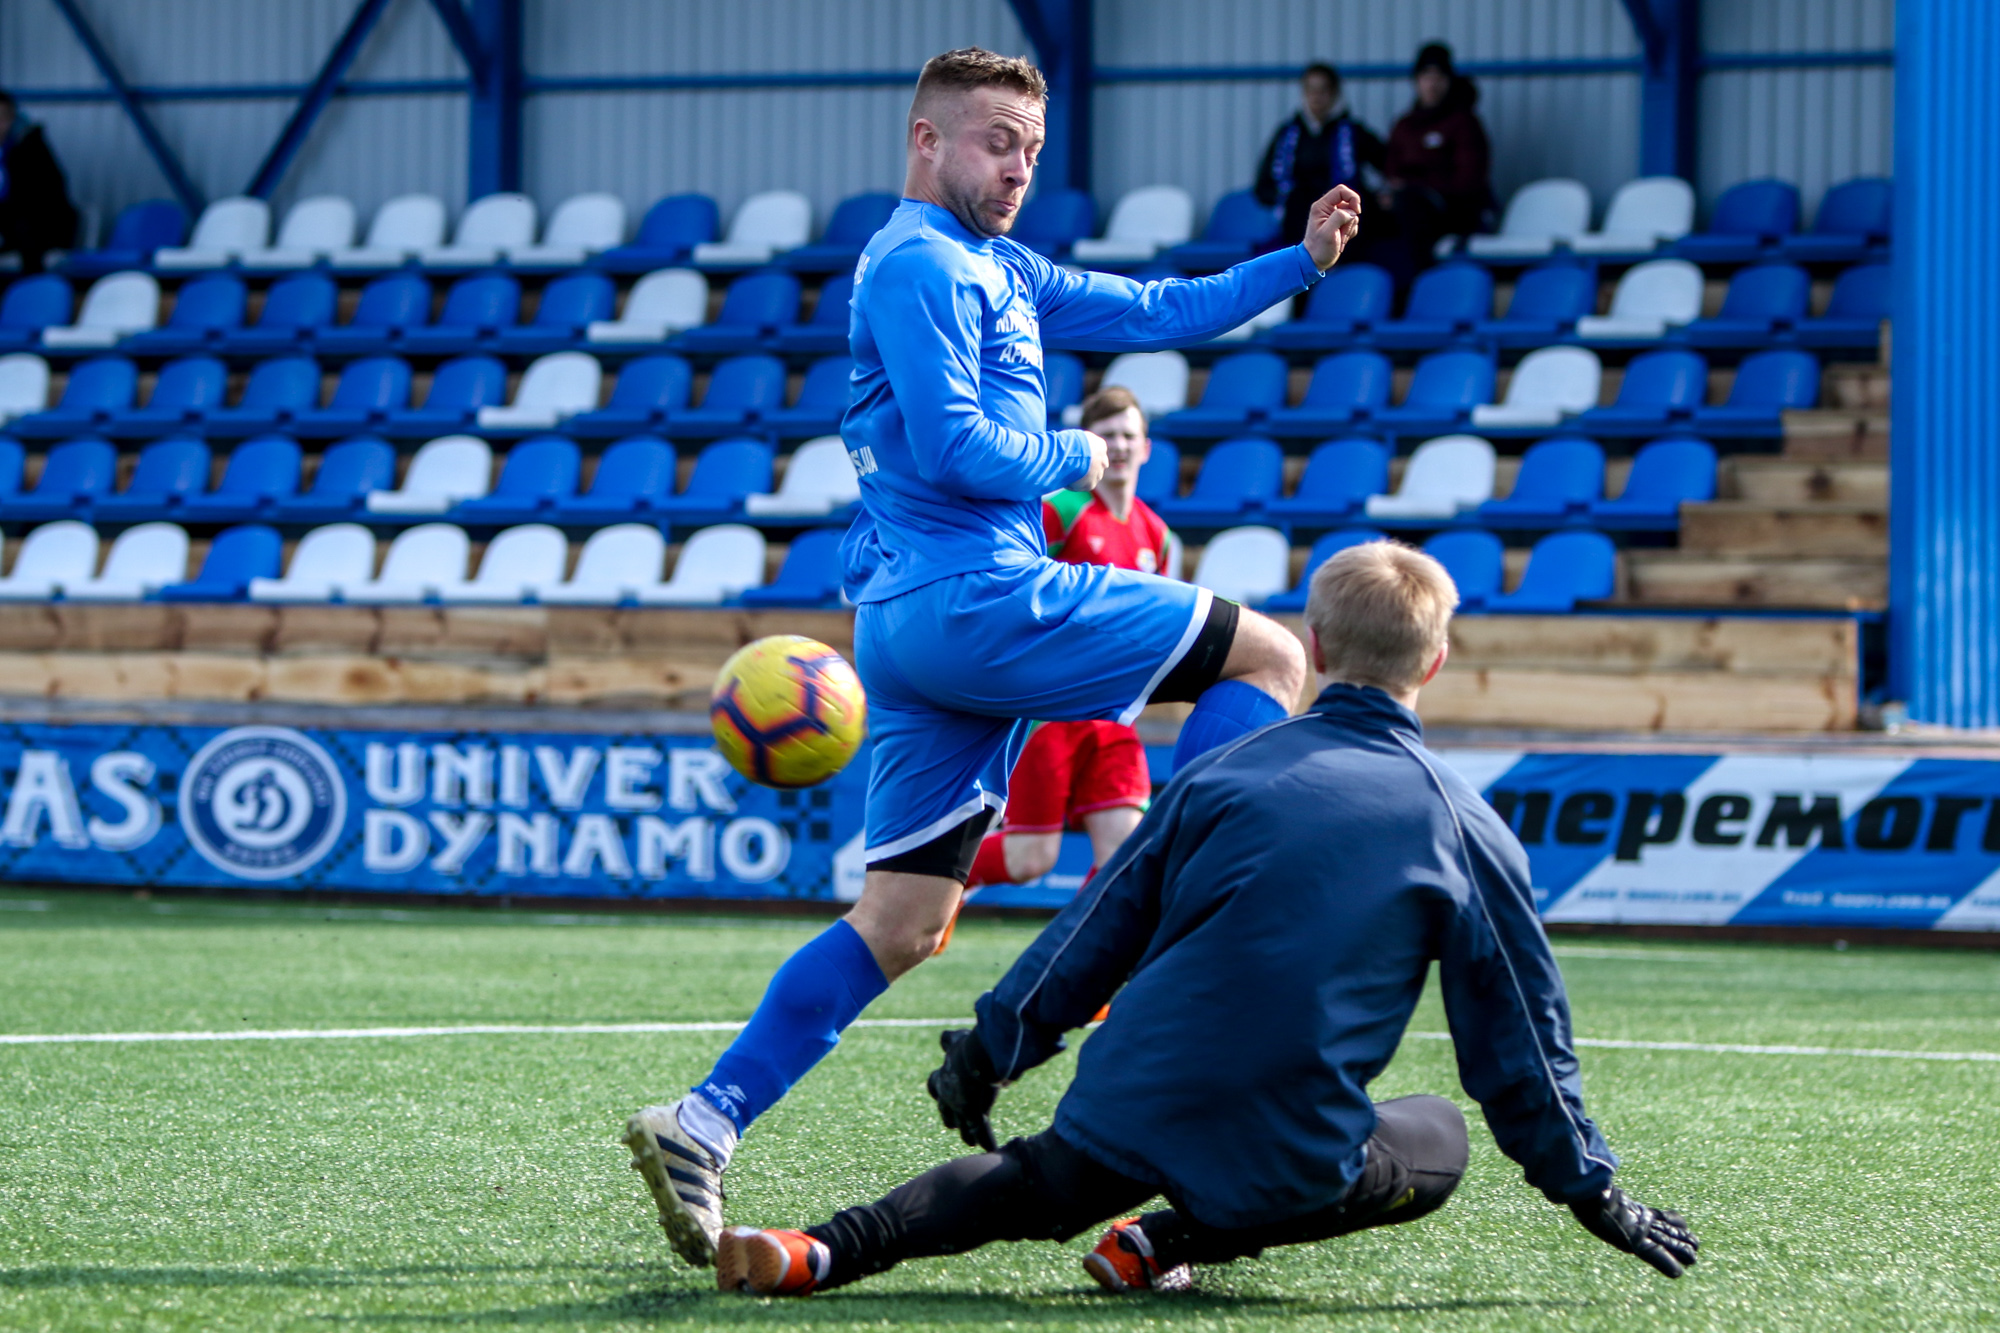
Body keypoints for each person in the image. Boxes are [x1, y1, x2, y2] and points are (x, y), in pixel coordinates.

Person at [622, 45, 1362, 1269]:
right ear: (925, 141)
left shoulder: (1002, 266)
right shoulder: (918, 261)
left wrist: (1299, 263)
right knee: (1272, 656)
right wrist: (1081, 456)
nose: (1017, 168)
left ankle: (702, 1119)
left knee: (902, 921)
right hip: (975, 596)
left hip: (914, 626)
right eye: (994, 142)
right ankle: (1175, 908)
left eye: (1029, 147)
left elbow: (1157, 312)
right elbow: (957, 449)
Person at [705, 541, 1701, 1297]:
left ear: (1315, 647)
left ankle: (821, 1248)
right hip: (1289, 1142)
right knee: (1437, 1137)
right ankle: (1160, 1242)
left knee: (1029, 1180)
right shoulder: (1467, 828)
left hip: (1133, 1097)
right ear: (1433, 662)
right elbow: (1518, 1041)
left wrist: (991, 1049)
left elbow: (1096, 929)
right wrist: (1591, 1190)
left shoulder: (1219, 773)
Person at [958, 384, 1177, 898]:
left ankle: (1085, 949)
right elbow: (1010, 585)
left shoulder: (1158, 535)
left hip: (1113, 716)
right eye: (1107, 436)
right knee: (1031, 858)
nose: (1119, 446)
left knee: (1124, 857)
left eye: (1129, 435)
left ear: (1146, 447)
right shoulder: (1060, 509)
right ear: (1089, 444)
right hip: (1050, 712)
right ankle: (928, 875)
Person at [1376, 43, 1493, 281]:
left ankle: (1421, 286)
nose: (1432, 84)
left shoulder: (1464, 123)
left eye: (1439, 77)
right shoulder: (1404, 125)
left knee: (1412, 209)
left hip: (1453, 211)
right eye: (1426, 77)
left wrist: (1418, 188)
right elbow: (1391, 170)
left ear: (1449, 81)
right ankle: (1358, 286)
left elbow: (1468, 181)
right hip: (1405, 203)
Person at [1254, 63, 1384, 250]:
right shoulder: (1287, 135)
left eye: (1323, 90)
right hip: (1298, 220)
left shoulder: (1353, 133)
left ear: (1335, 93)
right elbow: (1264, 185)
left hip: (1341, 221)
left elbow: (1386, 163)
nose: (1317, 96)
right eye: (1311, 90)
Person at [0, 92, 79, 275]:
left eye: (2, 118)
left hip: (39, 232)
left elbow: (33, 202)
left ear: (12, 119)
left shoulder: (31, 149)